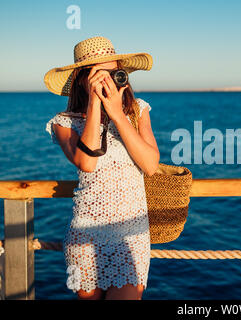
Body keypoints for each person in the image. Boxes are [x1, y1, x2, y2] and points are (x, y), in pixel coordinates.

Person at [44, 36, 160, 300]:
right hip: (85, 234)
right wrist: (95, 103)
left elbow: (150, 165)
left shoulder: (137, 111)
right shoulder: (64, 123)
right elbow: (87, 162)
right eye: (99, 73)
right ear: (83, 78)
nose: (107, 79)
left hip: (132, 235)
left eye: (112, 71)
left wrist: (117, 114)